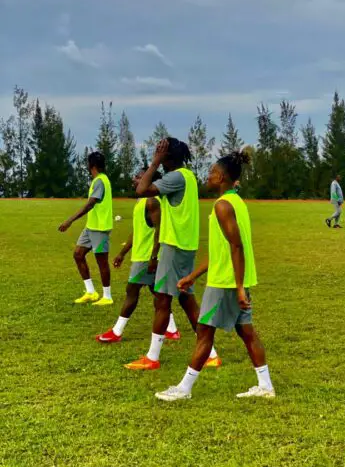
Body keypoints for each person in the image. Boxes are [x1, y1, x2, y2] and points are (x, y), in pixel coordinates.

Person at [155, 151, 275, 402]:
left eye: (211, 172)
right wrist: (193, 276)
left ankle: (184, 388)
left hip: (226, 282)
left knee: (204, 332)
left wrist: (238, 287)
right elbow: (222, 249)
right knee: (247, 332)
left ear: (221, 177)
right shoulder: (236, 202)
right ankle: (265, 385)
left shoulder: (222, 206)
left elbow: (237, 246)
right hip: (234, 279)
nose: (208, 176)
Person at [124, 137, 220, 370]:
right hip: (185, 245)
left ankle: (152, 357)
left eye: (161, 153)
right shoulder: (188, 176)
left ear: (168, 157)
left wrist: (154, 162)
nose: (157, 156)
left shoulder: (176, 177)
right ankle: (211, 354)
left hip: (174, 246)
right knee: (186, 299)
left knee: (162, 300)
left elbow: (141, 190)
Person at [95, 170, 179, 343]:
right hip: (142, 255)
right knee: (158, 293)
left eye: (139, 177)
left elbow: (159, 231)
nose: (135, 179)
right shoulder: (142, 202)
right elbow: (137, 231)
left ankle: (117, 331)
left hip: (147, 257)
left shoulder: (152, 201)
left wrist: (153, 257)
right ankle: (172, 329)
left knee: (131, 291)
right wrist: (122, 253)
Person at [59, 151, 114, 306]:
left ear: (91, 165)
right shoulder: (99, 180)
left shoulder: (100, 181)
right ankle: (90, 292)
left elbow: (90, 204)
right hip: (91, 227)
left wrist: (70, 220)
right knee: (78, 254)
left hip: (100, 228)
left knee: (102, 262)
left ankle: (107, 296)